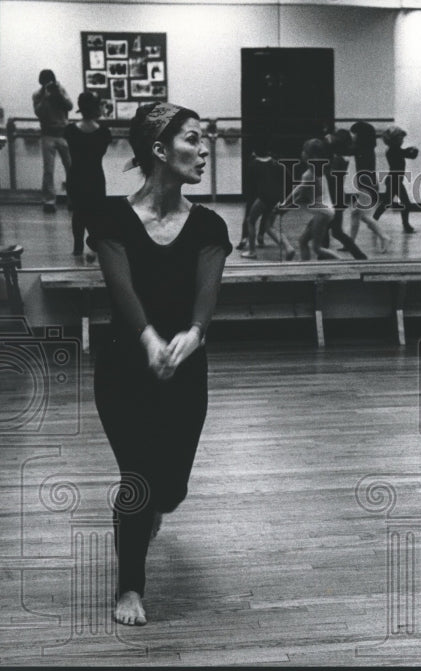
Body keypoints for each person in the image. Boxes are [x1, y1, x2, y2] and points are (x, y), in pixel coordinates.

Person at [87, 101, 232, 626]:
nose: (204, 147)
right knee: (138, 478)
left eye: (204, 137)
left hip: (186, 371)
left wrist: (192, 337)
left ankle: (155, 509)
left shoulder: (209, 226)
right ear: (158, 149)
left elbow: (206, 296)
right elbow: (121, 289)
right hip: (125, 367)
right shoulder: (110, 220)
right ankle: (130, 587)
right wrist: (150, 340)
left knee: (170, 491)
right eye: (193, 138)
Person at [283, 138, 367, 261]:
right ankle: (313, 265)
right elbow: (300, 191)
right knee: (307, 240)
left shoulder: (315, 171)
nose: (301, 153)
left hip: (327, 209)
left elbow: (300, 192)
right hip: (328, 208)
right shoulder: (320, 167)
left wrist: (284, 205)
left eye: (304, 151)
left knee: (322, 242)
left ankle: (342, 261)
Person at [64, 92, 111, 258]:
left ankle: (78, 247)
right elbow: (101, 151)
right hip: (95, 176)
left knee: (78, 212)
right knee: (96, 212)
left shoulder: (70, 130)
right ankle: (95, 245)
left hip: (76, 175)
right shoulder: (104, 133)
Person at [241, 139, 294, 260]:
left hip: (264, 196)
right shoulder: (277, 163)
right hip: (277, 197)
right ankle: (288, 247)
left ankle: (252, 251)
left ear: (255, 152)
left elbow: (250, 186)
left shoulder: (253, 164)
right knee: (269, 227)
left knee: (251, 220)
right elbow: (289, 180)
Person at [33, 69, 73, 213]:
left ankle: (73, 199)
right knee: (48, 170)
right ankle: (49, 201)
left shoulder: (60, 90)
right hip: (47, 134)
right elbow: (38, 113)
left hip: (63, 133)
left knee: (71, 168)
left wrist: (59, 94)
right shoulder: (38, 95)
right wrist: (45, 97)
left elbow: (70, 106)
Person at [347, 121, 391, 249]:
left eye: (354, 134)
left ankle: (384, 236)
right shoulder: (367, 148)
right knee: (356, 213)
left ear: (360, 136)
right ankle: (351, 242)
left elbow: (346, 150)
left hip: (366, 186)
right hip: (368, 185)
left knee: (363, 216)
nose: (352, 136)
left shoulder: (361, 148)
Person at [373, 125, 417, 234]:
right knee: (406, 204)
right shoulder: (393, 150)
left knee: (386, 203)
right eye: (400, 139)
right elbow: (408, 154)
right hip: (395, 181)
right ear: (395, 140)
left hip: (394, 180)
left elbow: (406, 153)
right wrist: (413, 150)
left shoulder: (393, 150)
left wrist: (410, 150)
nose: (402, 141)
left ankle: (373, 221)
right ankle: (406, 226)